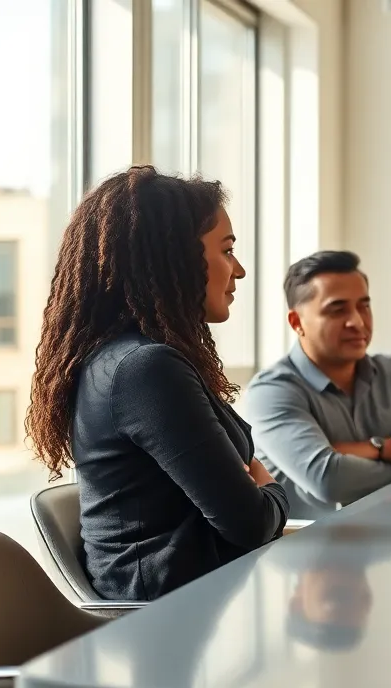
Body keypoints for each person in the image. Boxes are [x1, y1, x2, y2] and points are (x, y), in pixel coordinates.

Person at [26, 166, 289, 602]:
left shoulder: (129, 360)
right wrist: (272, 490)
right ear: (175, 258)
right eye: (226, 251)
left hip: (203, 599)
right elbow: (249, 521)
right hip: (169, 621)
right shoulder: (145, 369)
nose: (238, 270)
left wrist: (260, 493)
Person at [245, 251, 391, 516]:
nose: (358, 322)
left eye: (364, 305)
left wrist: (379, 448)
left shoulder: (389, 373)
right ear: (297, 322)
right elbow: (330, 480)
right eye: (338, 310)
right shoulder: (271, 392)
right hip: (304, 549)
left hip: (386, 536)